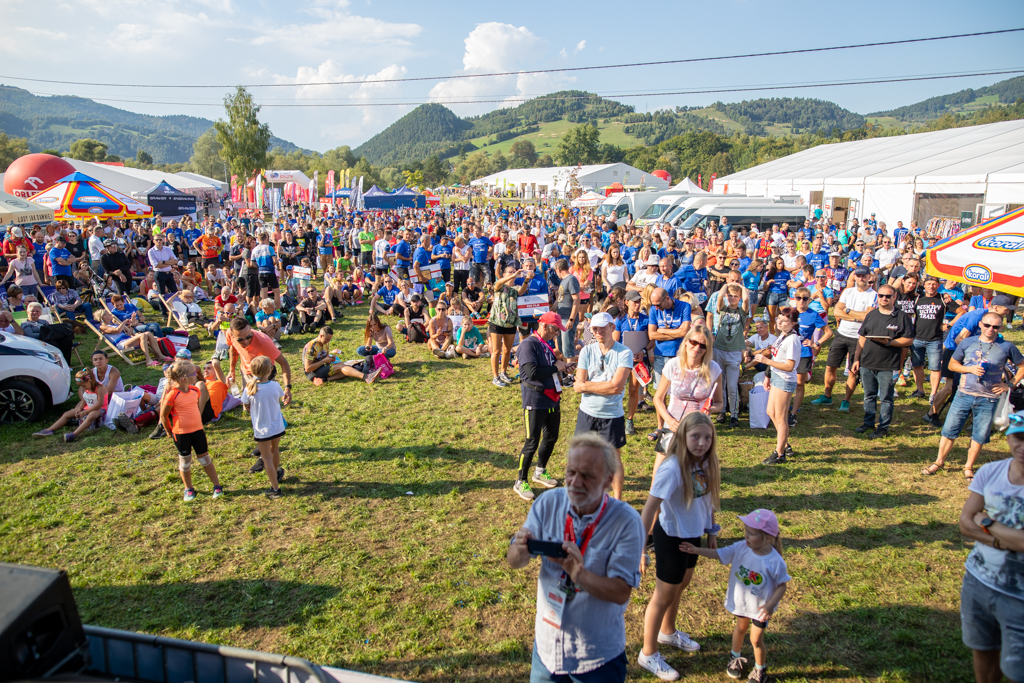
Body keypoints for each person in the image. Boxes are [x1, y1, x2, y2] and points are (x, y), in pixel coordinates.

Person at [506, 433, 645, 683]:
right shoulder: (547, 503)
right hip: (547, 652)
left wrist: (579, 574)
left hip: (596, 658)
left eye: (587, 476)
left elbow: (621, 592)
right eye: (571, 472)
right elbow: (514, 561)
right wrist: (518, 550)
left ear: (608, 480)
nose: (575, 482)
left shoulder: (626, 522)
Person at [637, 412, 720, 681]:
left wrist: (711, 530)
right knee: (663, 596)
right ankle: (648, 653)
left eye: (707, 437)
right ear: (683, 436)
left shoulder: (706, 462)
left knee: (681, 586)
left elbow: (708, 499)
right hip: (672, 537)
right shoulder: (672, 468)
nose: (702, 443)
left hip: (693, 536)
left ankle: (668, 631)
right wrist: (641, 549)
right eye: (695, 436)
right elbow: (649, 509)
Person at [680, 510, 790, 683]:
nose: (746, 536)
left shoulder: (775, 561)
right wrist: (696, 550)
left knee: (756, 639)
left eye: (751, 533)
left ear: (768, 538)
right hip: (743, 603)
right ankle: (735, 656)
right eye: (746, 531)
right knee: (740, 628)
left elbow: (782, 585)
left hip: (761, 609)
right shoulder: (741, 547)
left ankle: (760, 670)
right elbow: (719, 553)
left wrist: (771, 605)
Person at [957, 413, 1024, 683]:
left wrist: (987, 522)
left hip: (1019, 596)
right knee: (982, 650)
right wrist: (1004, 540)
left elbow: (976, 520)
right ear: (1008, 438)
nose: (1023, 447)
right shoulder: (990, 472)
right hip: (978, 580)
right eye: (1019, 438)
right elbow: (965, 524)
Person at [923, 311, 1024, 480]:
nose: (990, 329)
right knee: (949, 430)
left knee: (979, 434)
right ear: (980, 325)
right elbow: (952, 365)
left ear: (1000, 328)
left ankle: (968, 467)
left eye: (995, 327)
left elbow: (1022, 366)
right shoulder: (967, 342)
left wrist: (1009, 384)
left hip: (988, 398)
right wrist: (969, 369)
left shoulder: (1007, 347)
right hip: (964, 394)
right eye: (987, 325)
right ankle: (938, 462)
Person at [513, 311, 568, 500]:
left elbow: (550, 369)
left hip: (552, 398)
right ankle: (520, 481)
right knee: (532, 442)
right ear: (544, 326)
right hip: (535, 400)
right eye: (555, 330)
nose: (556, 334)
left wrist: (563, 368)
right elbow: (531, 373)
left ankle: (540, 471)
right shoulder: (528, 344)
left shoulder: (546, 344)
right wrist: (555, 367)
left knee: (551, 436)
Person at [811, 266, 878, 412]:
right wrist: (856, 317)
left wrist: (847, 311)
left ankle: (846, 401)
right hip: (841, 333)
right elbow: (836, 311)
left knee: (853, 370)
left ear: (869, 277)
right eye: (858, 275)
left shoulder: (873, 295)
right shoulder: (848, 291)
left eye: (864, 276)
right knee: (830, 366)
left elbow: (868, 316)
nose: (861, 278)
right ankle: (827, 396)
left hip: (858, 337)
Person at [852, 284, 915, 439]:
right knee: (869, 395)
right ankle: (868, 422)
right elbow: (862, 337)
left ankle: (883, 427)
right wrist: (856, 359)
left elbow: (909, 340)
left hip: (888, 364)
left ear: (894, 297)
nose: (884, 298)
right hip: (867, 362)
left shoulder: (902, 317)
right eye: (881, 296)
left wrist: (890, 342)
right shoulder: (871, 315)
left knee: (886, 398)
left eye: (888, 296)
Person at [159, 359, 222, 502]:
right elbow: (163, 415)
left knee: (205, 459)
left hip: (198, 431)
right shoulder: (172, 395)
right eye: (194, 373)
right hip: (181, 434)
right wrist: (169, 431)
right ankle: (188, 488)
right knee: (185, 462)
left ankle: (217, 485)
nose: (197, 375)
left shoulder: (195, 390)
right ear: (184, 378)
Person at [754, 307, 801, 465]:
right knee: (771, 412)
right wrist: (768, 374)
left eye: (784, 321)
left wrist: (766, 361)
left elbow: (789, 366)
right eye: (779, 319)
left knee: (781, 417)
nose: (779, 323)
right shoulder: (782, 336)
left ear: (793, 323)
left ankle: (779, 453)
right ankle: (784, 443)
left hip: (784, 379)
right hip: (776, 377)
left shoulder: (792, 340)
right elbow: (775, 356)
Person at [649, 287, 695, 441]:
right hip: (661, 355)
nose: (656, 308)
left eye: (658, 304)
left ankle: (681, 424)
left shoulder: (684, 306)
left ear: (667, 298)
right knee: (660, 393)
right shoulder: (653, 310)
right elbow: (652, 334)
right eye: (654, 305)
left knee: (680, 391)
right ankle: (660, 426)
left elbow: (684, 332)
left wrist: (662, 331)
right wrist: (675, 332)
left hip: (679, 355)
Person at [242, 355, 288, 499]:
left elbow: (246, 405)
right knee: (275, 450)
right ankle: (276, 473)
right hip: (277, 426)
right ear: (270, 370)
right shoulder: (275, 386)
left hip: (261, 429)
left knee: (266, 458)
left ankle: (275, 488)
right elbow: (278, 397)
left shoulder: (249, 388)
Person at [710, 283, 748, 428]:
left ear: (739, 297)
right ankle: (722, 410)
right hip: (719, 349)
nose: (732, 298)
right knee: (721, 384)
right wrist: (727, 284)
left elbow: (746, 299)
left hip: (734, 351)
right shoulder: (723, 309)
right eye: (730, 296)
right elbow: (720, 296)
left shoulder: (741, 312)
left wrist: (740, 286)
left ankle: (734, 414)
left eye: (735, 296)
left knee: (732, 386)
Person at [32, 369, 107, 442]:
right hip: (88, 407)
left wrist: (86, 412)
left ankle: (74, 434)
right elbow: (84, 399)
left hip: (99, 408)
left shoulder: (99, 388)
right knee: (67, 414)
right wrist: (79, 408)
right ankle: (49, 430)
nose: (83, 387)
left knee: (91, 415)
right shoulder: (86, 387)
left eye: (83, 386)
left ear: (89, 381)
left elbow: (100, 403)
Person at [302, 326, 382, 385]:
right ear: (321, 336)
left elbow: (324, 356)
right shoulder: (311, 347)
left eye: (330, 339)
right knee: (341, 367)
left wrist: (330, 358)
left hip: (321, 366)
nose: (328, 341)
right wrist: (323, 361)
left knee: (346, 370)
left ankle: (324, 379)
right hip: (312, 372)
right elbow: (308, 368)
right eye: (327, 339)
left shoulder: (324, 342)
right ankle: (366, 377)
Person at [910, 276, 946, 401]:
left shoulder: (943, 299)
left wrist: (949, 324)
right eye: (929, 284)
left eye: (934, 284)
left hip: (935, 339)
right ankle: (920, 390)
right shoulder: (918, 298)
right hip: (917, 337)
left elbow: (961, 311)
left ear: (938, 285)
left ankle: (933, 394)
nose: (931, 286)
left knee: (935, 367)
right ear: (924, 285)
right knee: (917, 365)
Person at [489, 267, 524, 386]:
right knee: (496, 350)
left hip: (511, 323)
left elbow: (521, 292)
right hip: (497, 322)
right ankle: (495, 376)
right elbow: (498, 283)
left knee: (507, 350)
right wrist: (513, 276)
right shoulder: (499, 285)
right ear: (504, 274)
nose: (513, 273)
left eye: (514, 271)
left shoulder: (515, 288)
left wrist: (526, 280)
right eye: (510, 271)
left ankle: (503, 372)